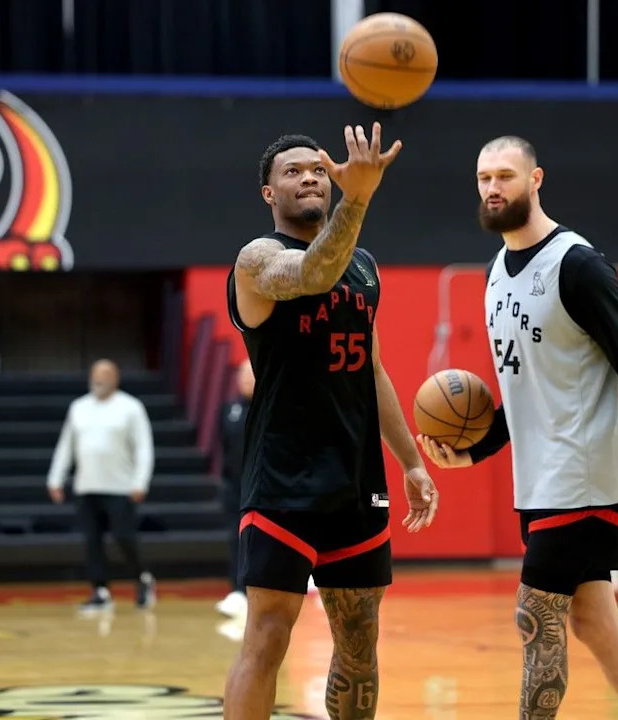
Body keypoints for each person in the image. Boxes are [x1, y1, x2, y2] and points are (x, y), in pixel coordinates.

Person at [419, 136, 618, 720]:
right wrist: (476, 451)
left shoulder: (577, 265)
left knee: (535, 613)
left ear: (535, 179)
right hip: (541, 478)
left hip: (584, 473)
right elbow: (525, 390)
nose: (493, 188)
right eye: (484, 177)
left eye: (506, 176)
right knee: (595, 621)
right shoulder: (494, 272)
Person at [223, 123, 439, 720]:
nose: (310, 178)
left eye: (317, 169)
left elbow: (372, 369)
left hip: (355, 479)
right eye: (292, 172)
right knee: (266, 637)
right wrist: (360, 196)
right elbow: (313, 274)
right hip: (283, 478)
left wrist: (413, 462)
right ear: (269, 194)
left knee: (360, 644)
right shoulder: (257, 260)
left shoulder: (365, 268)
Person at [46, 359, 157, 613]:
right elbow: (66, 446)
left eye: (105, 374)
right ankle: (100, 591)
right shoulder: (79, 407)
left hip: (120, 487)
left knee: (123, 537)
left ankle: (142, 578)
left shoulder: (131, 407)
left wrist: (140, 481)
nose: (100, 379)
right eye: (96, 374)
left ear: (115, 378)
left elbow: (143, 447)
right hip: (87, 486)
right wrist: (55, 478)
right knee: (92, 541)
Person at [215, 359, 255, 618]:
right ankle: (238, 590)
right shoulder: (229, 409)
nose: (246, 380)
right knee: (236, 537)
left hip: (263, 486)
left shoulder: (270, 407)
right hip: (235, 485)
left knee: (258, 539)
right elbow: (224, 445)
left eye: (251, 375)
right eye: (242, 375)